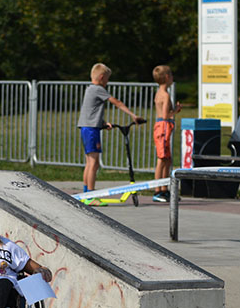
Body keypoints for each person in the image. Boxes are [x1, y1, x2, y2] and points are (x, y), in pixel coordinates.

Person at [76, 63, 142, 200]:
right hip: (91, 130)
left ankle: (86, 193)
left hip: (87, 127)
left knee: (90, 162)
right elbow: (116, 102)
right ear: (101, 77)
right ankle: (91, 195)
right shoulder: (98, 89)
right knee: (94, 163)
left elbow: (91, 111)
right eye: (107, 79)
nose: (107, 82)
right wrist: (133, 115)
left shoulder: (90, 89)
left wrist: (103, 124)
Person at [150, 64, 181, 203]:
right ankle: (158, 190)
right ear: (167, 77)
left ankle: (164, 188)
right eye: (171, 75)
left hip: (162, 126)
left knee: (167, 159)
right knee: (162, 159)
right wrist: (175, 111)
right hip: (163, 126)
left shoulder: (159, 93)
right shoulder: (165, 95)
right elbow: (165, 115)